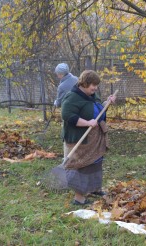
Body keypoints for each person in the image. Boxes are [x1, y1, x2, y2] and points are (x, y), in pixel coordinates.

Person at [61, 70, 116, 205]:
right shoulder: (72, 97)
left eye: (96, 85)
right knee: (81, 165)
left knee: (95, 163)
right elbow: (67, 115)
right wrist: (87, 123)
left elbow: (97, 111)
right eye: (93, 85)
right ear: (84, 83)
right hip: (80, 139)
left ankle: (94, 188)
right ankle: (79, 198)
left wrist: (106, 103)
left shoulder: (91, 95)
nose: (95, 88)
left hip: (94, 138)